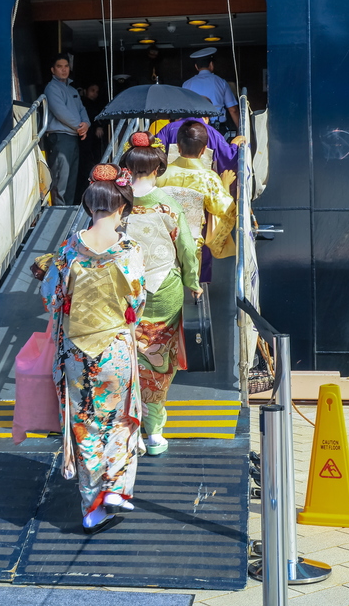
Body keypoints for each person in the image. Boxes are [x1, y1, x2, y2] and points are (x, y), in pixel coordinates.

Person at [40, 163, 146, 535]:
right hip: (115, 347)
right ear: (121, 207)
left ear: (90, 206)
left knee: (85, 424)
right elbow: (137, 301)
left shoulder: (69, 249)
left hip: (77, 352)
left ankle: (91, 508)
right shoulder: (130, 250)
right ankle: (116, 488)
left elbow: (51, 298)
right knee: (121, 419)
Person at [120, 132, 202, 457]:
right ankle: (154, 432)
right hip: (164, 291)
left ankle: (130, 428)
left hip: (125, 294)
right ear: (157, 168)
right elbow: (186, 250)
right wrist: (193, 281)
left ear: (128, 167)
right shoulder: (168, 206)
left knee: (126, 360)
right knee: (158, 362)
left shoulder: (118, 206)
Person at [157, 122, 237, 281]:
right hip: (191, 244)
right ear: (203, 150)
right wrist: (225, 184)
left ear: (178, 147)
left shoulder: (161, 174)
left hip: (162, 241)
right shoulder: (208, 178)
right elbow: (226, 209)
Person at [44, 54, 90, 205]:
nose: (64, 70)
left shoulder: (72, 90)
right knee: (60, 177)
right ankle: (58, 211)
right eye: (59, 66)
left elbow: (82, 109)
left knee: (71, 177)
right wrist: (80, 127)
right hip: (61, 137)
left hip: (73, 136)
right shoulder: (52, 88)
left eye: (66, 66)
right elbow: (60, 112)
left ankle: (67, 210)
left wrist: (86, 124)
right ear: (52, 70)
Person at [182, 48, 240, 131]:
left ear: (196, 67)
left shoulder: (187, 84)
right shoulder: (221, 82)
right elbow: (233, 109)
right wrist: (240, 130)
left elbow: (183, 110)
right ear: (211, 64)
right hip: (217, 128)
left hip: (194, 128)